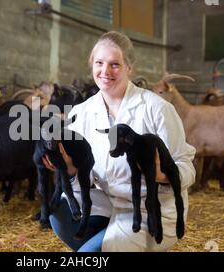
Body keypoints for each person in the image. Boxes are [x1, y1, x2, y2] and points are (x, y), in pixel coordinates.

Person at [42, 31, 196, 252]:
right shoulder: (82, 113)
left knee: (91, 254)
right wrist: (71, 171)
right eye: (99, 63)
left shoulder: (157, 109)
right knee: (59, 212)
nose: (105, 71)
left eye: (115, 64)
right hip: (108, 202)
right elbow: (84, 176)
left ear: (129, 68)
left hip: (151, 209)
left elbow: (187, 167)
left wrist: (163, 175)